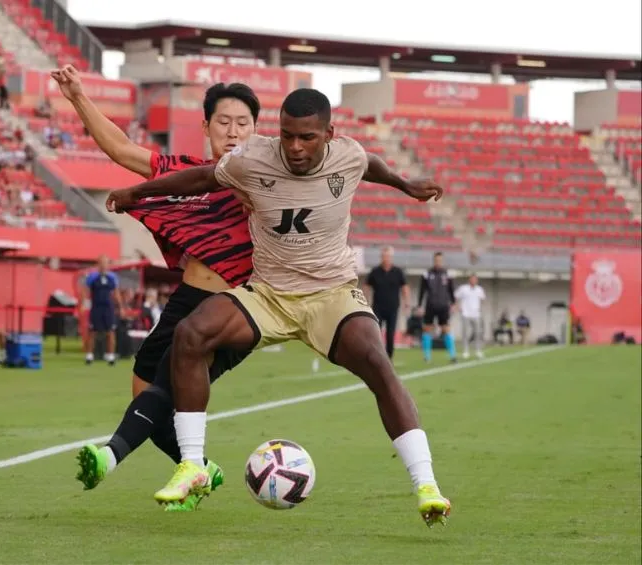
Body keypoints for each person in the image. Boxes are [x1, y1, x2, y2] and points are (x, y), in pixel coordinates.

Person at [106, 88, 451, 526]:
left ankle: (426, 485)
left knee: (377, 363)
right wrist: (139, 193)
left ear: (329, 134)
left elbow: (371, 167)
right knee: (190, 335)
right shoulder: (254, 158)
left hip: (330, 293)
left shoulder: (349, 156)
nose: (294, 147)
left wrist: (405, 184)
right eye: (287, 135)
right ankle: (192, 465)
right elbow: (199, 179)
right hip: (268, 293)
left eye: (306, 138)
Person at [50, 64, 258, 510]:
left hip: (234, 308)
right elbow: (123, 151)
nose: (233, 131)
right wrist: (78, 97)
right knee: (145, 389)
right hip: (186, 299)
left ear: (257, 131)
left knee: (168, 383)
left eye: (244, 123)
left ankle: (111, 455)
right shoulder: (188, 173)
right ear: (206, 126)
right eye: (224, 122)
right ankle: (200, 466)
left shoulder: (267, 182)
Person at [363, 246, 409, 359]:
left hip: (393, 308)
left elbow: (405, 288)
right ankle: (377, 355)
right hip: (378, 307)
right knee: (376, 332)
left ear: (391, 257)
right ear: (381, 257)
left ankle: (389, 357)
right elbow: (366, 286)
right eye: (384, 256)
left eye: (388, 256)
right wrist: (365, 301)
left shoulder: (398, 272)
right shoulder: (375, 271)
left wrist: (406, 302)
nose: (386, 258)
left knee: (390, 333)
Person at [82, 255, 121, 366]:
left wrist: (120, 306)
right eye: (101, 263)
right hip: (96, 308)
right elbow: (86, 291)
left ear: (108, 265)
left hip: (108, 308)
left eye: (106, 263)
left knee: (110, 332)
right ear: (98, 264)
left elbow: (116, 293)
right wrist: (84, 304)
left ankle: (110, 357)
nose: (103, 265)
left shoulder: (113, 277)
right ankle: (89, 356)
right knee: (92, 332)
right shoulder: (92, 277)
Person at [418, 252, 457, 363]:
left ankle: (453, 355)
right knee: (427, 329)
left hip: (443, 305)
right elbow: (422, 291)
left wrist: (453, 303)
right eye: (436, 260)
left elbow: (451, 290)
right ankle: (427, 356)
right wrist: (420, 305)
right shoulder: (427, 274)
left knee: (446, 329)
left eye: (440, 260)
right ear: (433, 260)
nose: (438, 262)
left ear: (442, 261)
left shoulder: (447, 274)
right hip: (430, 305)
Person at [454, 273, 486, 359]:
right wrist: (457, 306)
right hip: (465, 313)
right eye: (472, 279)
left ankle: (478, 350)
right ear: (469, 280)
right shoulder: (463, 288)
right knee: (465, 333)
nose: (473, 281)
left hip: (476, 314)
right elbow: (456, 296)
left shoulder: (479, 289)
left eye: (475, 279)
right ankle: (466, 351)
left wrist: (479, 307)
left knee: (478, 333)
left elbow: (483, 299)